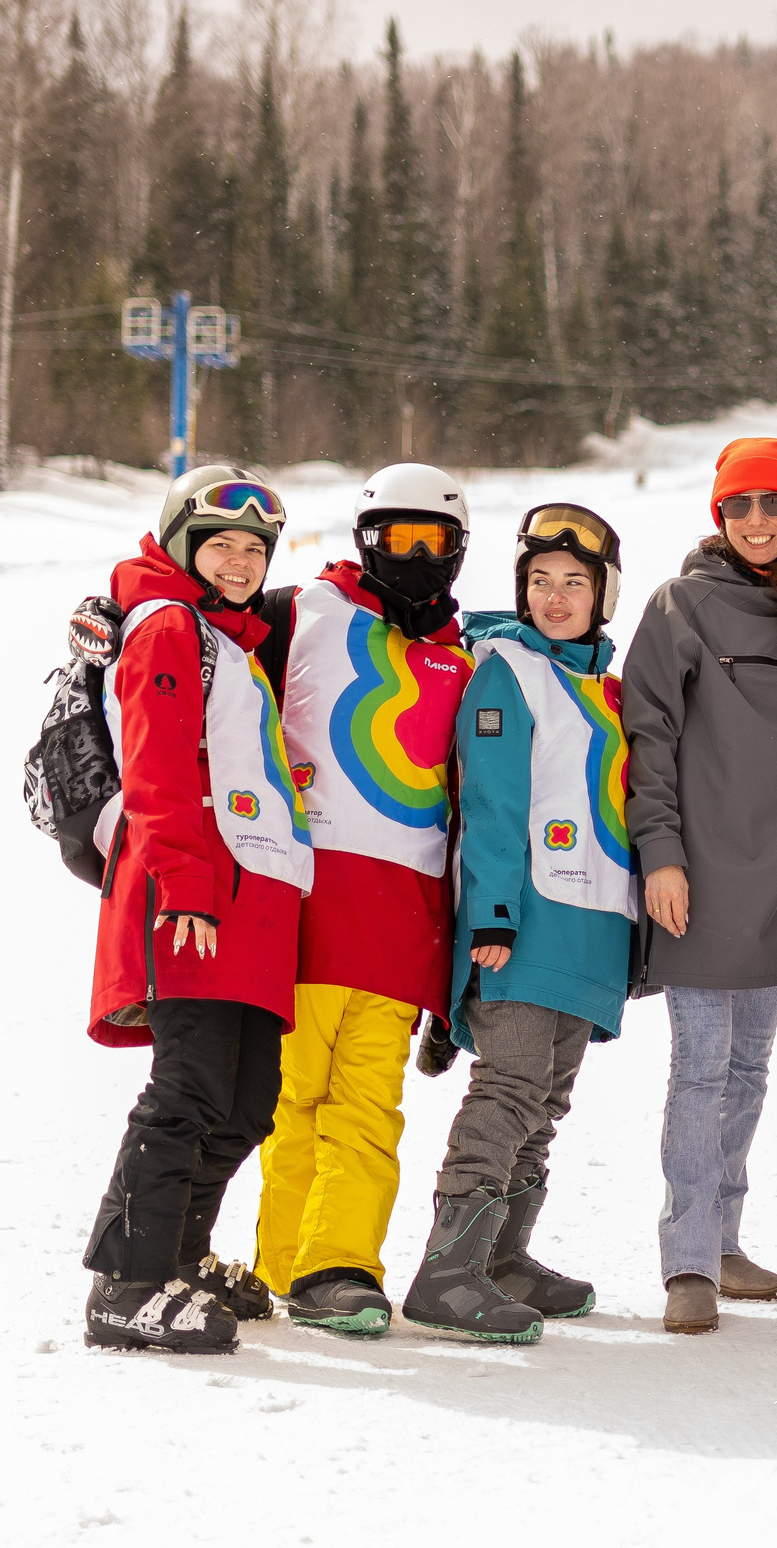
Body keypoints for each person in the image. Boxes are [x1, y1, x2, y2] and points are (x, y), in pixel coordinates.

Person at [79, 469, 312, 1353]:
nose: (242, 561)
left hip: (246, 898)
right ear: (182, 546)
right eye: (221, 544)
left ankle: (178, 1253)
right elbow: (159, 765)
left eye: (256, 548)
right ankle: (126, 1282)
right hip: (193, 899)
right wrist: (184, 888)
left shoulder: (229, 636)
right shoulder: (171, 625)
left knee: (248, 1100)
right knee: (189, 1091)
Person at [248, 465, 477, 1337]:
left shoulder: (465, 656)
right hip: (304, 901)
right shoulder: (299, 613)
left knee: (366, 1102)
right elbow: (200, 642)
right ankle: (283, 1264)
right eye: (396, 539)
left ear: (456, 551)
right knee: (291, 1097)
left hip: (400, 916)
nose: (413, 558)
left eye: (432, 542)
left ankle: (339, 1264)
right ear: (365, 539)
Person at [402, 504, 633, 1344]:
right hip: (527, 922)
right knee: (506, 1089)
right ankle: (447, 1271)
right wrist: (492, 914)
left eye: (575, 582)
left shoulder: (602, 685)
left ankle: (502, 1256)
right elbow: (494, 802)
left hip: (590, 929)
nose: (556, 596)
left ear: (605, 594)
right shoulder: (504, 667)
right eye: (540, 581)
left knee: (546, 1099)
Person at [623, 438, 777, 1333]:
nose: (756, 522)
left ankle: (726, 1239)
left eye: (772, 506)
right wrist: (659, 852)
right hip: (700, 876)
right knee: (700, 1070)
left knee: (750, 1069)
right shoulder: (681, 606)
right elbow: (649, 736)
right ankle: (687, 1263)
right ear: (717, 516)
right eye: (740, 507)